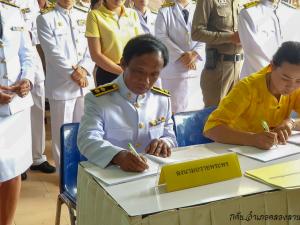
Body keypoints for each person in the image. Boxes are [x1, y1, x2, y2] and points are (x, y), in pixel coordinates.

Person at [78, 34, 177, 172]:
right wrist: (118, 156)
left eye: (154, 74)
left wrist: (164, 143)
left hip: (152, 172)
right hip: (112, 174)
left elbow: (170, 136)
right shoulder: (99, 99)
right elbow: (87, 140)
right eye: (139, 72)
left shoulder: (161, 99)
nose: (146, 81)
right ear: (123, 64)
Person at [204, 41, 300, 150]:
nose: (291, 86)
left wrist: (291, 123)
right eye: (285, 78)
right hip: (237, 151)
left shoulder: (296, 88)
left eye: (299, 80)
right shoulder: (247, 88)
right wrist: (252, 139)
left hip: (271, 153)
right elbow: (211, 129)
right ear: (272, 66)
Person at [37, 0, 95, 169]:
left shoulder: (84, 15)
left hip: (84, 84)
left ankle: (83, 170)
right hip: (62, 86)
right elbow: (53, 53)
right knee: (62, 133)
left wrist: (84, 69)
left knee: (84, 129)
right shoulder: (45, 19)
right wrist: (75, 74)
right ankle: (65, 175)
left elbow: (90, 48)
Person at [0, 1, 35, 224]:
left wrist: (27, 79)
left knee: (12, 170)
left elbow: (27, 55)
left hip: (15, 106)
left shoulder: (13, 12)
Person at [12, 0, 56, 175]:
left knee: (37, 106)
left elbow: (38, 30)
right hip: (8, 54)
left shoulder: (32, 2)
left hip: (29, 52)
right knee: (14, 111)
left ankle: (37, 157)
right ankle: (17, 161)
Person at [155, 0, 206, 113]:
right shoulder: (164, 10)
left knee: (196, 111)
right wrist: (182, 55)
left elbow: (206, 33)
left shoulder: (199, 8)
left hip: (196, 68)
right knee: (174, 112)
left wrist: (194, 54)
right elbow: (161, 36)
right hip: (173, 71)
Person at [191, 0, 243, 107]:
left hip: (241, 69)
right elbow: (196, 32)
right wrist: (230, 37)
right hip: (218, 70)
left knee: (235, 118)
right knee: (214, 117)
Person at [85, 0, 143, 86]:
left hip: (133, 71)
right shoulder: (94, 15)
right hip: (108, 74)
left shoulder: (132, 14)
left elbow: (141, 45)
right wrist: (124, 72)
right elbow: (95, 55)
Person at [238, 0, 300, 78]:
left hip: (290, 79)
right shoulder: (248, 13)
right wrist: (280, 74)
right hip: (258, 80)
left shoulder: (293, 12)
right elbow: (254, 52)